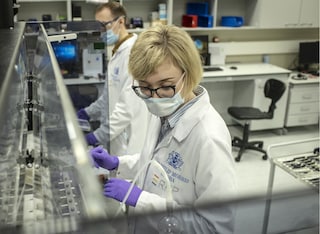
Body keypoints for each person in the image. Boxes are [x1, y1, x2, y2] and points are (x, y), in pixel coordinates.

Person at [90, 24, 238, 233]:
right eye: (144, 87)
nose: (154, 97)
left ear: (189, 74)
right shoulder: (164, 112)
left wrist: (140, 200)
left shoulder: (209, 139)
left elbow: (215, 227)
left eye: (166, 86)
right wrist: (117, 164)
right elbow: (157, 164)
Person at [77, 2, 149, 156]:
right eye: (98, 27)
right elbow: (107, 97)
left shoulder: (133, 54)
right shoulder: (117, 52)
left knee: (125, 175)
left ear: (121, 21)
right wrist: (86, 113)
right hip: (115, 136)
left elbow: (127, 108)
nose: (102, 31)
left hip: (128, 139)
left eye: (105, 25)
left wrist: (97, 136)